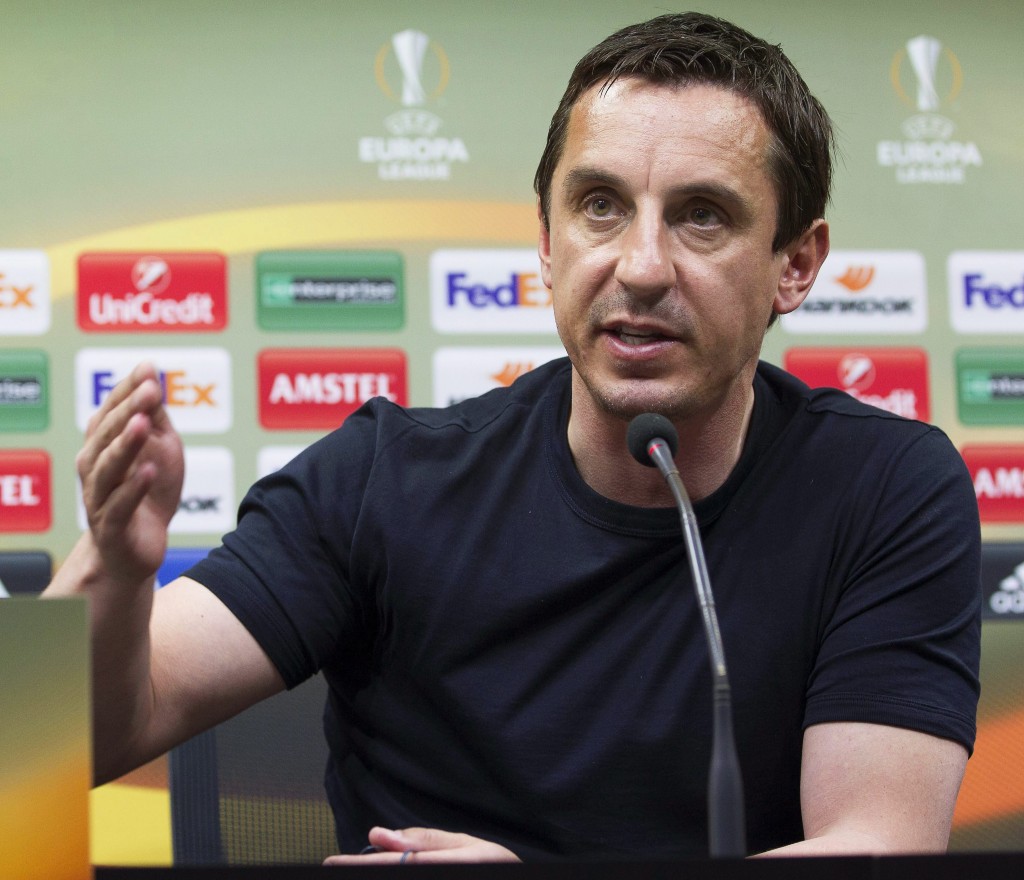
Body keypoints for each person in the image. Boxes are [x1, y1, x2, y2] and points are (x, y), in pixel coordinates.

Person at [46, 11, 981, 864]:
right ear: (546, 240)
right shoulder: (386, 478)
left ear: (796, 264)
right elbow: (40, 754)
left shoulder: (885, 487)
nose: (641, 266)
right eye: (600, 205)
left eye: (703, 216)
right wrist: (115, 576)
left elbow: (880, 846)